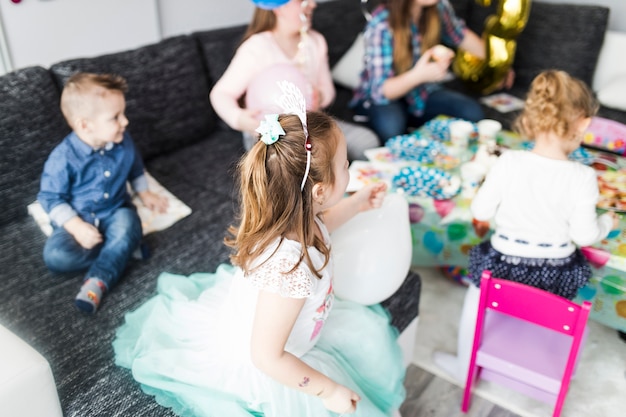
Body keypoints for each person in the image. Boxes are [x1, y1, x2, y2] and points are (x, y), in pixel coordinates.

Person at [113, 102, 406, 416]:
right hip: (274, 363)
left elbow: (323, 226)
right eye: (346, 165)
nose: (350, 169)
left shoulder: (303, 216)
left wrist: (357, 204)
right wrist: (327, 389)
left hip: (289, 331)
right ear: (319, 192)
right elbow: (267, 358)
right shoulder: (289, 272)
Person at [434, 70, 620, 382]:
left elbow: (480, 210)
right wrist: (607, 222)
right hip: (555, 275)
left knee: (475, 301)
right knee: (567, 306)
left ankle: (464, 368)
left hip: (503, 269)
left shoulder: (509, 162)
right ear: (584, 123)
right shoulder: (583, 177)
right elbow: (584, 235)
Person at [38, 72, 169, 314]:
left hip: (116, 211)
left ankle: (98, 280)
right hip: (79, 218)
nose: (125, 122)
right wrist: (76, 226)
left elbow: (135, 166)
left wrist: (144, 192)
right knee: (55, 257)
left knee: (128, 224)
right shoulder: (62, 158)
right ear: (85, 125)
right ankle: (124, 249)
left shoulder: (123, 140)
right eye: (115, 117)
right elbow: (49, 197)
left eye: (123, 114)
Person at [209, 0, 380, 161]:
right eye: (301, 0)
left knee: (368, 142)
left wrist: (320, 95)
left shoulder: (315, 42)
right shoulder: (257, 48)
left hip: (311, 121)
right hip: (272, 132)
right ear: (279, 7)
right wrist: (239, 118)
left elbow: (328, 90)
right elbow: (221, 93)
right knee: (306, 161)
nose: (312, 4)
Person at [351, 0, 493, 142]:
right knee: (391, 129)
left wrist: (497, 66)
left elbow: (460, 35)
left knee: (472, 113)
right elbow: (381, 91)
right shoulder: (381, 24)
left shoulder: (440, 7)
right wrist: (419, 75)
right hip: (385, 98)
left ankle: (413, 123)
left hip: (421, 92)